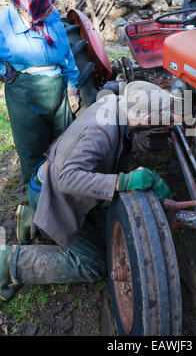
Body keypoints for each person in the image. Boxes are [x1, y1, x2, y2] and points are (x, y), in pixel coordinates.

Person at [0, 81, 173, 301]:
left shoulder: (115, 104)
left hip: (51, 182)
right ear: (148, 120)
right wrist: (124, 182)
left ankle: (34, 223)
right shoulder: (102, 131)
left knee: (106, 235)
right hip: (53, 191)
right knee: (94, 264)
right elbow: (67, 179)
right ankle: (9, 262)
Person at [0, 0, 80, 186]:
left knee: (66, 145)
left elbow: (66, 55)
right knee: (32, 149)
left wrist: (72, 87)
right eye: (46, 7)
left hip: (58, 88)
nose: (52, 9)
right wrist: (4, 72)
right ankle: (38, 202)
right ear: (27, 9)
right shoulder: (3, 25)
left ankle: (69, 190)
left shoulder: (51, 17)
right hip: (25, 93)